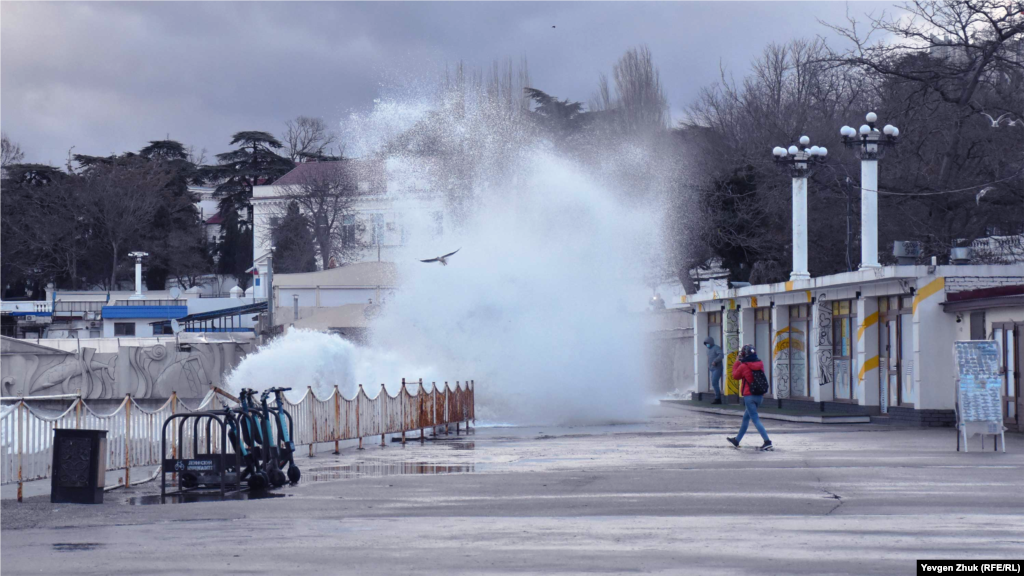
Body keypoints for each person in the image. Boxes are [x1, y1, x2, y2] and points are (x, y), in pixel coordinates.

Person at [727, 344, 773, 451]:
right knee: (746, 418)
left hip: (749, 396)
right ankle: (736, 440)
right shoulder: (760, 364)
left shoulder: (744, 366)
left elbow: (735, 376)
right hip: (759, 396)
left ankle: (767, 441)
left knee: (755, 419)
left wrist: (737, 362)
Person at [703, 336, 724, 404]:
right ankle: (717, 397)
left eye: (707, 343)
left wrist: (715, 361)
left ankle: (718, 398)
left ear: (711, 342)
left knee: (714, 382)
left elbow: (721, 355)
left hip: (717, 368)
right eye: (706, 344)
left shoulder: (716, 348)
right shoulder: (708, 350)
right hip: (712, 369)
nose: (707, 345)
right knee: (714, 383)